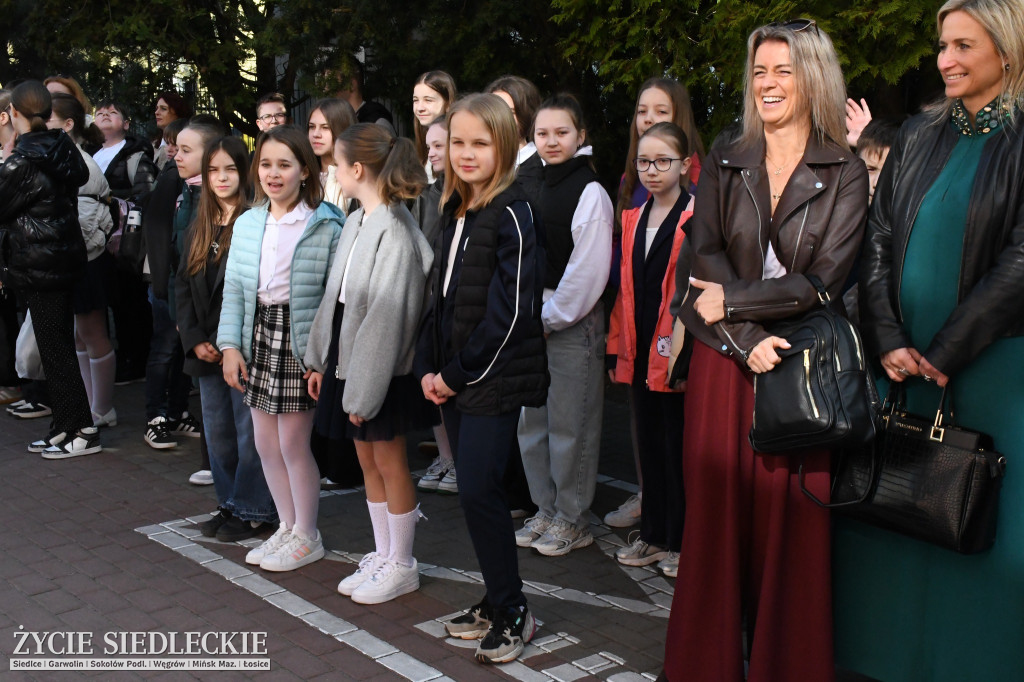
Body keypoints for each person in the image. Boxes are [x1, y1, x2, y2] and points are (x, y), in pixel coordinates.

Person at [663, 20, 868, 681]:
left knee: (792, 536)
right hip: (727, 363)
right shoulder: (728, 153)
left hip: (802, 366)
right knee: (715, 529)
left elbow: (823, 282)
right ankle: (704, 666)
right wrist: (744, 337)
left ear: (812, 77)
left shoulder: (844, 169)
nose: (768, 83)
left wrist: (739, 308)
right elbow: (705, 258)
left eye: (783, 70)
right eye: (759, 71)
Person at [838, 1, 1024, 679]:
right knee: (891, 509)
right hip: (901, 368)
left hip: (994, 371)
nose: (945, 59)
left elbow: (1021, 263)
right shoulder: (919, 136)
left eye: (964, 46)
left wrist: (945, 351)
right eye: (943, 44)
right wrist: (886, 337)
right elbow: (878, 239)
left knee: (984, 526)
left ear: (1007, 49)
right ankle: (881, 663)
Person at [413, 93, 546, 664]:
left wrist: (454, 375)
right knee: (474, 494)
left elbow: (511, 316)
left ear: (505, 146)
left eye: (479, 143)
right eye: (457, 142)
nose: (465, 154)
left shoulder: (513, 211)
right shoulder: (454, 210)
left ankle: (514, 609)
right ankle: (496, 599)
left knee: (478, 489)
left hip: (488, 380)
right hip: (452, 380)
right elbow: (437, 298)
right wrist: (426, 365)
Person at [306, 123, 436, 604]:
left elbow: (386, 320)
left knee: (389, 459)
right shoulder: (359, 219)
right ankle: (383, 554)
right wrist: (321, 359)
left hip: (379, 370)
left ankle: (402, 562)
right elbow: (335, 298)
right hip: (352, 360)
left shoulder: (396, 232)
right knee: (367, 458)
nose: (335, 173)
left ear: (356, 169)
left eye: (338, 165)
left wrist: (363, 391)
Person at [218, 125, 344, 572]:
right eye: (266, 164)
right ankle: (287, 527)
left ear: (304, 171)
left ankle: (307, 534)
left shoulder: (326, 221)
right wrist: (230, 345)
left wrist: (322, 358)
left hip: (302, 339)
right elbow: (234, 289)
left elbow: (334, 298)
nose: (273, 174)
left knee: (293, 442)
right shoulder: (250, 221)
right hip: (259, 333)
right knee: (265, 441)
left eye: (284, 165)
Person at [606, 77, 706, 530]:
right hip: (639, 348)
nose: (651, 169)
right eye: (644, 161)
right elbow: (625, 290)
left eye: (662, 161)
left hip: (675, 354)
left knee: (676, 445)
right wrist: (616, 348)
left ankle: (679, 539)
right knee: (647, 443)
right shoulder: (631, 218)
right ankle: (654, 532)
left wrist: (686, 358)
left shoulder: (697, 216)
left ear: (685, 164)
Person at [516, 93, 612, 557]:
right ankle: (546, 508)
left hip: (570, 324)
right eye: (542, 134)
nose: (551, 142)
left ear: (581, 136)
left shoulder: (589, 191)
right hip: (533, 320)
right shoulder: (532, 180)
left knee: (571, 425)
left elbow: (587, 270)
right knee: (532, 423)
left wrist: (549, 319)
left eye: (561, 133)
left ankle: (573, 518)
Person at [177, 135, 278, 542]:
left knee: (247, 431)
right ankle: (230, 502)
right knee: (217, 433)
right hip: (205, 350)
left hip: (244, 347)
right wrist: (195, 337)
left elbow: (248, 290)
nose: (221, 178)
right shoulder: (198, 223)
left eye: (230, 169)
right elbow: (181, 285)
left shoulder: (256, 222)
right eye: (213, 170)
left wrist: (225, 339)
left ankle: (255, 508)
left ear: (245, 171)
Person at [0, 80, 101, 459]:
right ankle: (63, 427)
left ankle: (82, 430)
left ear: (13, 115)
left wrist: (8, 155)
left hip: (41, 266)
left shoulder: (23, 161)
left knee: (56, 350)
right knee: (55, 347)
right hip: (59, 260)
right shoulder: (60, 148)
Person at [142, 116, 224, 451]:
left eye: (186, 150)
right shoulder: (175, 184)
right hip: (172, 292)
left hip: (198, 304)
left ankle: (177, 413)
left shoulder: (212, 192)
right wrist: (164, 289)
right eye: (176, 148)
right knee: (166, 351)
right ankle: (157, 416)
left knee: (184, 358)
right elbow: (163, 240)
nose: (175, 154)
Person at [46, 94, 119, 429]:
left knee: (92, 332)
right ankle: (93, 405)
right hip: (73, 259)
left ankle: (102, 407)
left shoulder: (79, 164)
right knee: (79, 335)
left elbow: (88, 226)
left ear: (68, 124)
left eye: (47, 120)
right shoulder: (62, 158)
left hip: (85, 260)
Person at [410, 116, 458, 496]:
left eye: (440, 144)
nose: (432, 152)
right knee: (432, 385)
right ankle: (446, 457)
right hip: (432, 303)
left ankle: (458, 459)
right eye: (430, 146)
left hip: (457, 305)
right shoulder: (429, 194)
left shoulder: (463, 196)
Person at [307, 98, 357, 210]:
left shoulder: (356, 176)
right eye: (312, 127)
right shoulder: (303, 174)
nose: (316, 134)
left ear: (342, 129)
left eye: (325, 128)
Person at [412, 71, 457, 180]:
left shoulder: (456, 144)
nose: (420, 108)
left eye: (428, 100)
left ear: (448, 103)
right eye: (415, 100)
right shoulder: (418, 149)